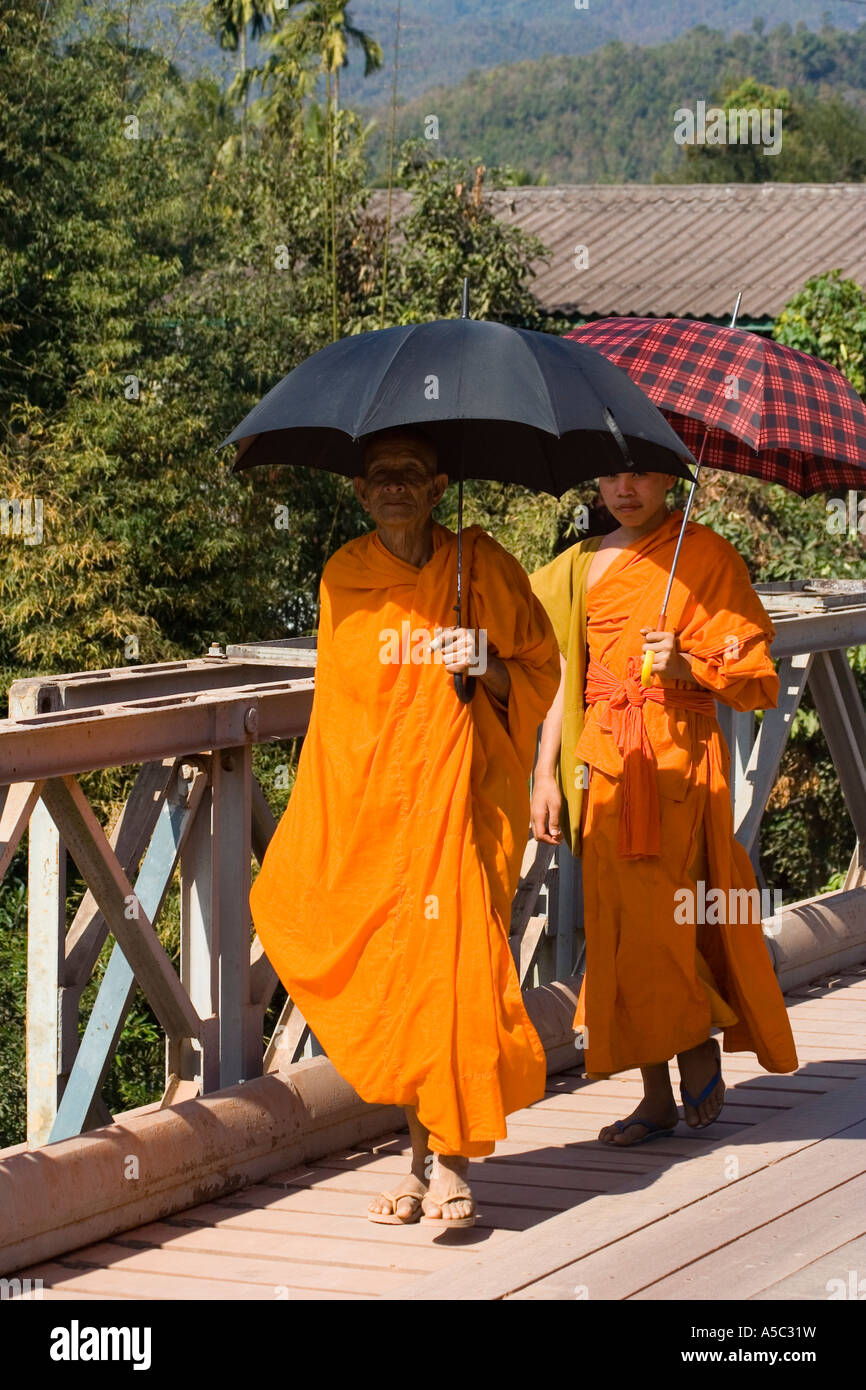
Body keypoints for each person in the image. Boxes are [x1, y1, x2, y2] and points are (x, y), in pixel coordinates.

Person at [250, 426, 561, 1224]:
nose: (395, 487)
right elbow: (344, 711)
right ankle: (418, 1150)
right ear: (360, 492)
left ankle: (444, 1162)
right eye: (380, 475)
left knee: (451, 978)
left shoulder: (481, 567)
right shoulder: (345, 576)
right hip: (380, 812)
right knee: (401, 984)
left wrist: (482, 658)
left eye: (412, 475)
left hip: (462, 804)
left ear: (437, 486)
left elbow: (543, 672)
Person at [529, 470, 798, 1147]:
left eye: (643, 472)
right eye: (613, 473)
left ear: (672, 478)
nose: (626, 488)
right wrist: (544, 772)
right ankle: (654, 1094)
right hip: (604, 765)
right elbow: (560, 673)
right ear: (592, 478)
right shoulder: (578, 566)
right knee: (617, 929)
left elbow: (756, 671)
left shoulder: (704, 556)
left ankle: (696, 1039)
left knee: (664, 922)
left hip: (677, 763)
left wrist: (690, 666)